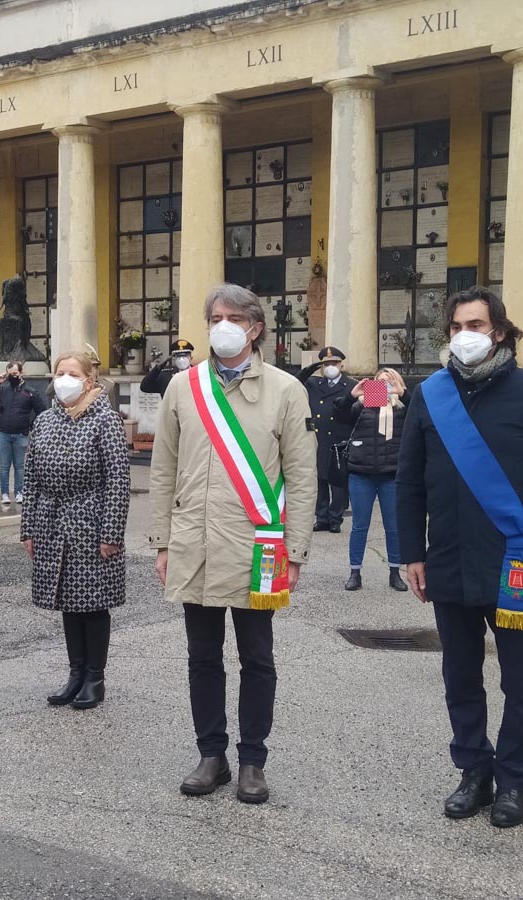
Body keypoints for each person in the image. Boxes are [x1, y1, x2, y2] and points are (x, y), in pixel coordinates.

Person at [396, 286, 523, 828]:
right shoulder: (430, 394)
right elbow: (409, 482)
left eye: (475, 326)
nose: (464, 337)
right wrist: (413, 553)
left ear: (498, 330)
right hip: (448, 557)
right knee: (459, 674)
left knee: (520, 679)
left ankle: (514, 780)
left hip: (517, 562)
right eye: (455, 328)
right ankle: (474, 772)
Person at [149, 283, 317, 804]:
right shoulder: (185, 387)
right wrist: (162, 542)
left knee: (257, 657)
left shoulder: (287, 390)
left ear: (254, 327)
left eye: (231, 317)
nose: (221, 325)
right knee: (203, 656)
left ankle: (252, 761)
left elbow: (302, 474)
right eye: (213, 316)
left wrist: (297, 551)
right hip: (194, 543)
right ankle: (211, 755)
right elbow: (163, 470)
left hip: (258, 549)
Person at [21, 351, 129, 709]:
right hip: (51, 520)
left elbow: (117, 479)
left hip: (91, 520)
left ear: (89, 380)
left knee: (92, 603)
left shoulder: (105, 419)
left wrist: (111, 533)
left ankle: (94, 677)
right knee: (68, 601)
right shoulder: (46, 419)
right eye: (59, 372)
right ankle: (75, 673)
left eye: (72, 373)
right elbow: (32, 476)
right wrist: (29, 528)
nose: (63, 379)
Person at [332, 366, 409, 592]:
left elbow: (421, 410)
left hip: (391, 475)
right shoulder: (362, 406)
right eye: (380, 382)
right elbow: (339, 416)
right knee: (359, 526)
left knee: (393, 527)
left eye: (390, 382)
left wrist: (402, 393)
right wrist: (351, 396)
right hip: (361, 473)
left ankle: (395, 572)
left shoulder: (404, 409)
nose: (385, 386)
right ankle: (355, 572)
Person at [298, 347, 356, 532]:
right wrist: (309, 369)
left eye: (334, 363)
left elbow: (376, 404)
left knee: (338, 482)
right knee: (320, 479)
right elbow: (294, 382)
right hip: (318, 437)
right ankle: (321, 517)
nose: (331, 367)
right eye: (326, 364)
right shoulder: (314, 384)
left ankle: (335, 519)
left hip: (340, 438)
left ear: (341, 365)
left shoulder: (352, 384)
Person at [0, 360, 47, 505]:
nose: (13, 376)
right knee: (4, 466)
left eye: (15, 374)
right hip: (3, 433)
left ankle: (20, 492)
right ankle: (4, 493)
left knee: (19, 466)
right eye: (10, 374)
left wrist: (31, 425)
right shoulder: (2, 390)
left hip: (21, 434)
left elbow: (42, 411)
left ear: (21, 373)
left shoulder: (30, 392)